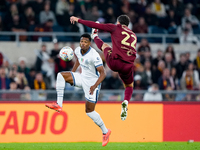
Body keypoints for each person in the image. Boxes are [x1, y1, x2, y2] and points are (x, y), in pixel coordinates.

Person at [45, 34, 111, 147]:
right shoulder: (77, 50)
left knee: (89, 111)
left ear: (89, 43)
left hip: (92, 84)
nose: (83, 43)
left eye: (85, 42)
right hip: (81, 78)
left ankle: (105, 131)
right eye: (82, 41)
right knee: (60, 75)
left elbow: (103, 73)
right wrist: (73, 72)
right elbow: (79, 60)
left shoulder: (94, 55)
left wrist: (95, 86)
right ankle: (59, 104)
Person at [70, 14, 137, 121]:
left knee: (106, 46)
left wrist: (78, 20)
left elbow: (94, 24)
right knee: (129, 86)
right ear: (128, 25)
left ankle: (94, 36)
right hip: (128, 66)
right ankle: (125, 102)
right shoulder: (133, 35)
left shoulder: (116, 27)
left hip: (115, 63)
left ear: (118, 22)